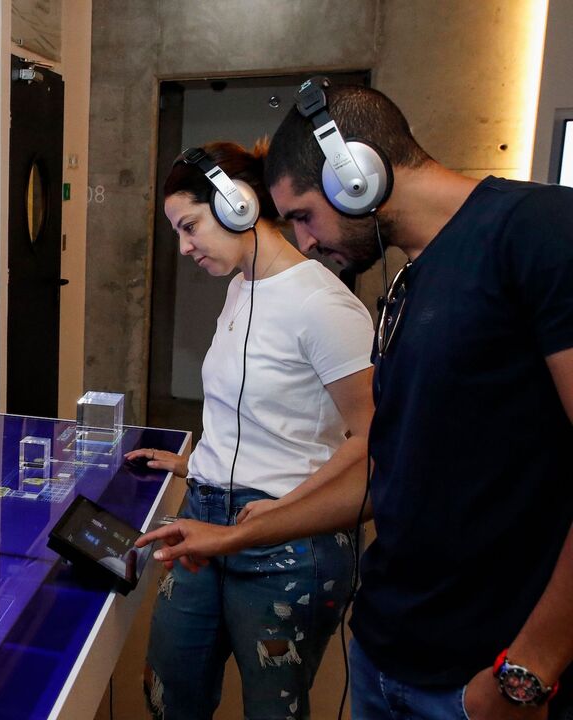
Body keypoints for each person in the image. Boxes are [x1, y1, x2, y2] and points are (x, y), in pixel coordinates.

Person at [138, 81, 573, 719]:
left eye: (306, 215)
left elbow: (367, 440)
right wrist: (232, 526)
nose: (306, 241)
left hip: (483, 664)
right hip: (389, 645)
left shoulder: (541, 231)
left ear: (357, 175)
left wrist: (530, 668)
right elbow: (386, 459)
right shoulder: (411, 278)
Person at [126, 140, 375, 719]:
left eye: (190, 226)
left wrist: (282, 510)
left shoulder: (323, 306)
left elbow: (371, 442)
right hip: (205, 515)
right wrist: (199, 462)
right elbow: (257, 413)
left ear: (237, 203)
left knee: (273, 710)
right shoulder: (241, 287)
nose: (184, 247)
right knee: (168, 689)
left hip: (291, 538)